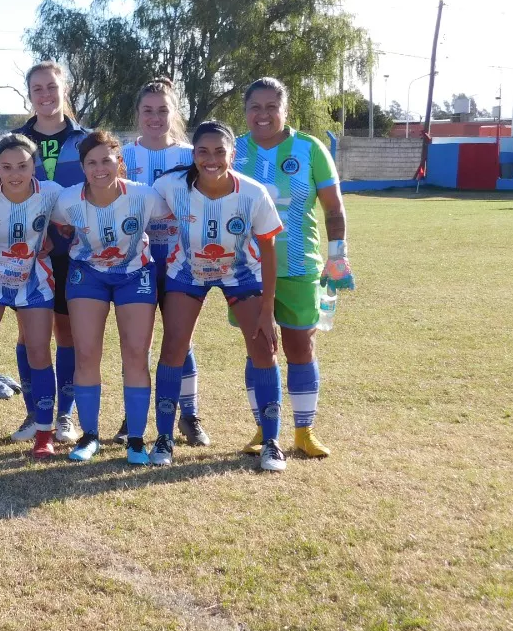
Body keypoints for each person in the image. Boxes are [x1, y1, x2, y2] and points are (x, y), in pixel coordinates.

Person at [151, 121, 286, 472]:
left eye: (219, 152)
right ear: (193, 154)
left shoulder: (253, 193)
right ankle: (163, 437)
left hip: (241, 274)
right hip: (186, 273)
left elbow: (269, 251)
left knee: (263, 348)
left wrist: (267, 307)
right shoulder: (170, 185)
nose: (211, 159)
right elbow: (136, 205)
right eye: (203, 152)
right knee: (173, 348)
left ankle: (272, 442)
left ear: (233, 154)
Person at [233, 77, 354, 460]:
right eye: (255, 107)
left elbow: (333, 208)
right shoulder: (234, 149)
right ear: (246, 111)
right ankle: (262, 428)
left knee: (300, 346)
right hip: (247, 269)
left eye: (272, 107)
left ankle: (304, 431)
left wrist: (338, 255)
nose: (263, 114)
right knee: (259, 351)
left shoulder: (310, 148)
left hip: (299, 265)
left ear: (285, 110)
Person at [51, 130, 165, 463]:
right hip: (88, 274)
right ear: (83, 168)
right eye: (91, 162)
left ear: (119, 162)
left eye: (106, 160)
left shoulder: (145, 196)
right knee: (86, 354)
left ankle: (136, 440)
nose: (100, 168)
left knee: (135, 353)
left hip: (135, 274)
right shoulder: (69, 200)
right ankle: (89, 436)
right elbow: (57, 223)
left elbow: (176, 212)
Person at [0, 134, 64, 459]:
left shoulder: (50, 193)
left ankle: (44, 433)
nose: (15, 173)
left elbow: (84, 211)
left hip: (33, 283)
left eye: (22, 165)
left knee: (38, 352)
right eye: (6, 167)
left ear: (34, 165)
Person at [120, 78, 207, 447]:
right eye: (147, 110)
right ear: (138, 114)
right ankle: (134, 415)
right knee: (136, 341)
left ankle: (189, 415)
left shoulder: (191, 155)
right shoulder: (122, 154)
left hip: (179, 258)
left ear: (174, 113)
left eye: (163, 110)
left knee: (179, 338)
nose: (155, 117)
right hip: (133, 260)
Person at [12, 61, 88, 447]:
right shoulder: (13, 140)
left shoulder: (86, 139)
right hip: (28, 256)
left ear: (65, 89)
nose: (45, 94)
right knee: (30, 337)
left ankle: (65, 417)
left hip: (76, 255)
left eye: (51, 87)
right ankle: (35, 412)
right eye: (37, 88)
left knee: (67, 333)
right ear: (30, 94)